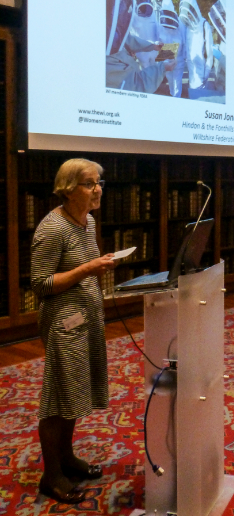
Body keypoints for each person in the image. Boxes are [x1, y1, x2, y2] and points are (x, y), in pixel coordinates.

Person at [31, 159, 117, 504]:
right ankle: (51, 476)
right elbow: (40, 284)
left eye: (98, 182)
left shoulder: (88, 220)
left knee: (75, 394)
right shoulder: (52, 229)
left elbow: (83, 269)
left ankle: (67, 459)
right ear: (67, 190)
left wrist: (98, 266)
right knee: (57, 400)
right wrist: (89, 268)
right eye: (87, 183)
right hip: (63, 324)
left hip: (87, 318)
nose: (97, 189)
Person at [105, 0, 175, 92]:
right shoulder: (105, 66)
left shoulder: (108, 29)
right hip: (141, 66)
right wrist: (163, 68)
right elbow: (136, 85)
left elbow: (123, 38)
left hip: (148, 54)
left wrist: (152, 46)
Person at [179, 0, 214, 98]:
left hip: (202, 77)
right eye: (187, 13)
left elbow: (210, 54)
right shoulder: (187, 27)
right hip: (191, 76)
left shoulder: (204, 25)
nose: (188, 16)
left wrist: (206, 75)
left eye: (190, 12)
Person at [157, 0, 187, 97]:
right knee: (170, 79)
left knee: (177, 81)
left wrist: (182, 57)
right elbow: (159, 40)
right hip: (166, 55)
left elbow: (184, 42)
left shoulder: (180, 25)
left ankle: (176, 97)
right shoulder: (160, 23)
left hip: (178, 59)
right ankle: (172, 95)